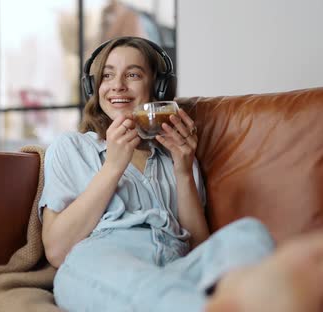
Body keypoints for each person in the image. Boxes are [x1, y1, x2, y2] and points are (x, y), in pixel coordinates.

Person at [38, 36, 323, 312]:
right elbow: (58, 250)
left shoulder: (173, 154)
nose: (118, 86)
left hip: (175, 262)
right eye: (108, 76)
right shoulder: (71, 147)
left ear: (158, 88)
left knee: (249, 234)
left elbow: (198, 246)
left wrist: (184, 170)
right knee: (103, 269)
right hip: (105, 259)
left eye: (133, 75)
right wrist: (113, 167)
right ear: (93, 86)